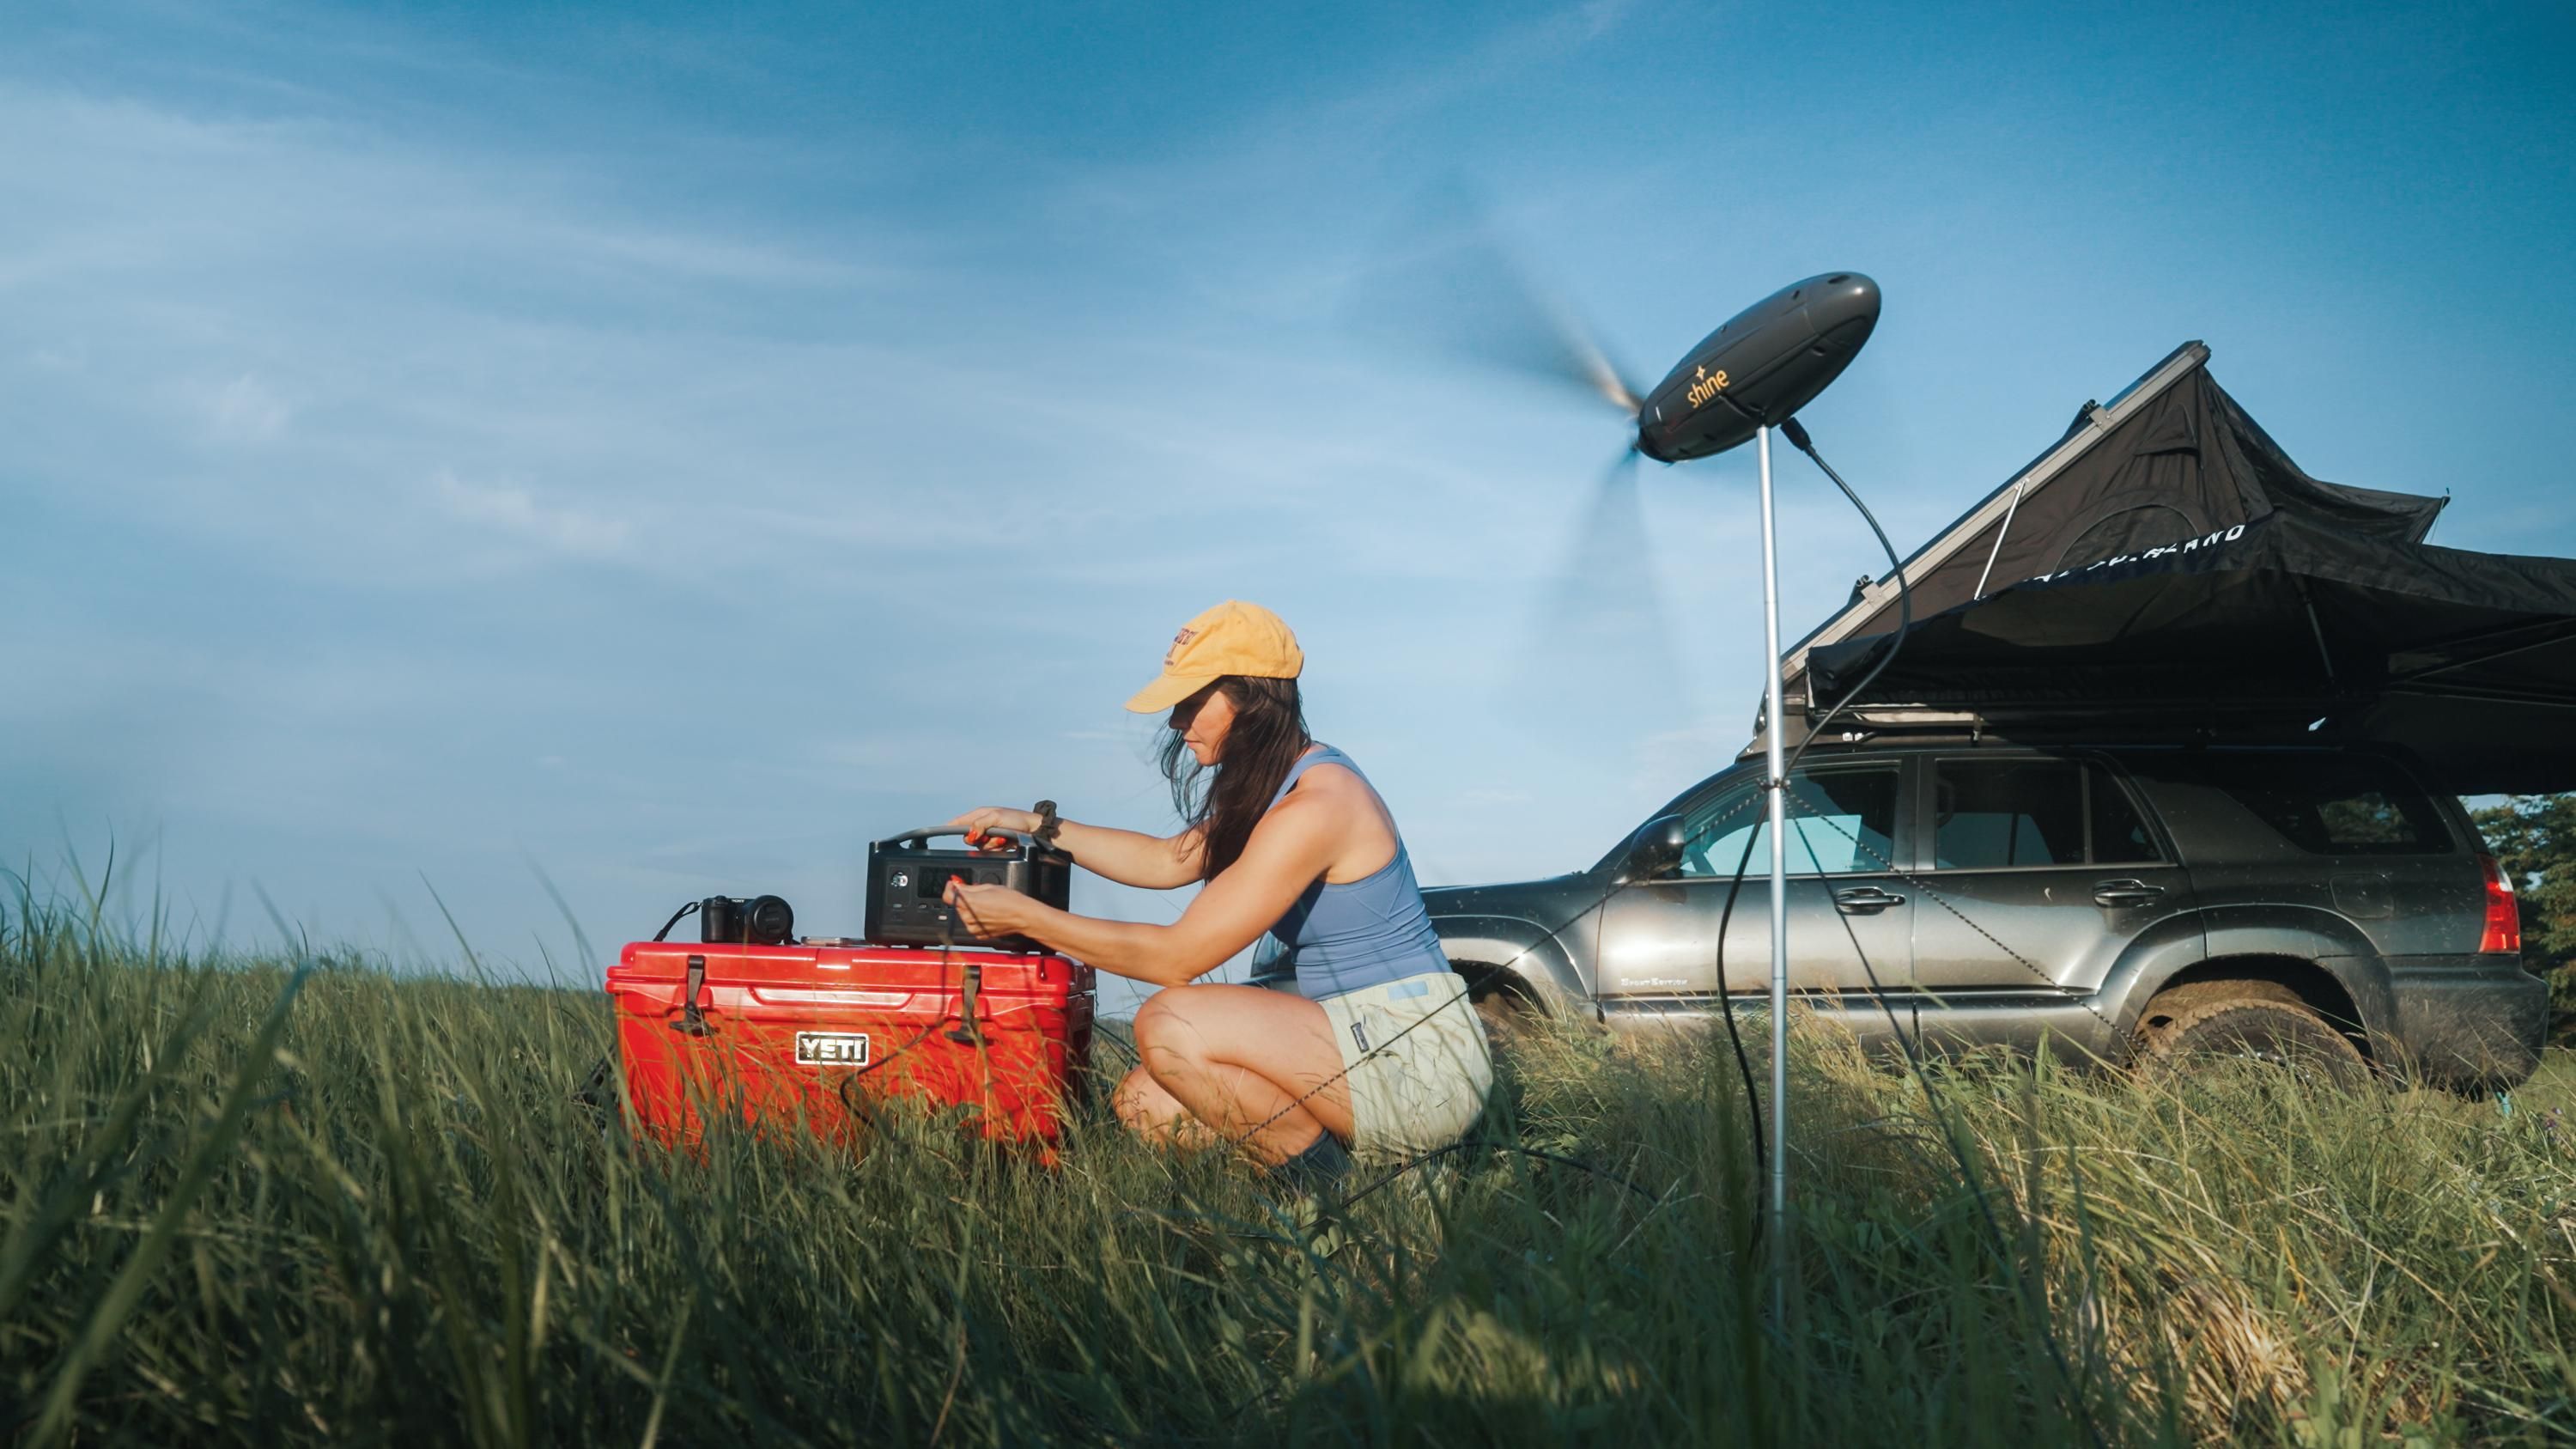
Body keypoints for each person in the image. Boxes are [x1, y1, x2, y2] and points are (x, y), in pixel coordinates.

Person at [942, 600, 1492, 1190]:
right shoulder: (1280, 788)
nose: (1177, 721)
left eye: (1190, 700)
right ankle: (1380, 1171)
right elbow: (1166, 859)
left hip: (1420, 1063)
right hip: (1357, 1038)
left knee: (1170, 1022)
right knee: (1145, 1103)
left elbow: (1176, 960)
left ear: (1249, 698)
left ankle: (1344, 1206)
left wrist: (1030, 918)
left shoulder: (1318, 805)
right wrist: (1034, 824)